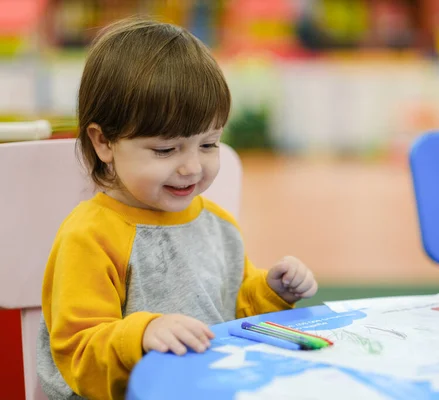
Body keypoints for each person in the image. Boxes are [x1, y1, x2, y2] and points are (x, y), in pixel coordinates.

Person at [37, 17, 318, 400]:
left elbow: (230, 313)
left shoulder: (217, 225)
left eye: (209, 144)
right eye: (165, 150)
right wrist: (142, 335)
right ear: (104, 143)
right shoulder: (90, 235)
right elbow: (79, 354)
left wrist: (270, 291)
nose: (192, 167)